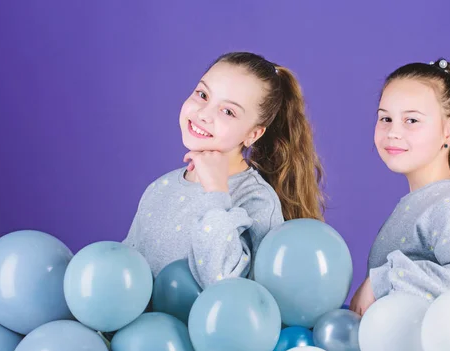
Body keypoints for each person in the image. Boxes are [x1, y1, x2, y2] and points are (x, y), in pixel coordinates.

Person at [124, 52, 324, 289]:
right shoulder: (160, 188)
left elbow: (229, 291)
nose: (204, 114)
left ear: (253, 134)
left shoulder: (257, 200)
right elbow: (127, 268)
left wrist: (216, 194)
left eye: (228, 111)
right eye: (202, 95)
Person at [350, 58, 450, 316]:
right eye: (385, 118)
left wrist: (384, 280)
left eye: (411, 120)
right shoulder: (420, 202)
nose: (393, 132)